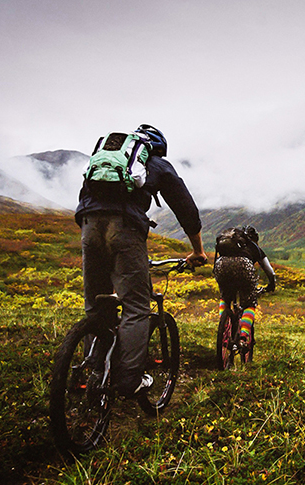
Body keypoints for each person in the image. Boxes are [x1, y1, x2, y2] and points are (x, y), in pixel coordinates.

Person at [75, 124, 207, 396]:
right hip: (124, 228)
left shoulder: (103, 160)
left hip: (88, 225)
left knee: (96, 304)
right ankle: (129, 379)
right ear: (157, 147)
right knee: (136, 307)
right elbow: (185, 208)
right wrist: (197, 251)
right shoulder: (157, 164)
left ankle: (94, 372)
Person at [213, 225, 276, 351]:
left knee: (225, 298)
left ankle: (224, 329)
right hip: (243, 267)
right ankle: (242, 338)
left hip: (221, 265)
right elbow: (270, 271)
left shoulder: (230, 245)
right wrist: (271, 285)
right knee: (249, 304)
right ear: (255, 239)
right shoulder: (255, 248)